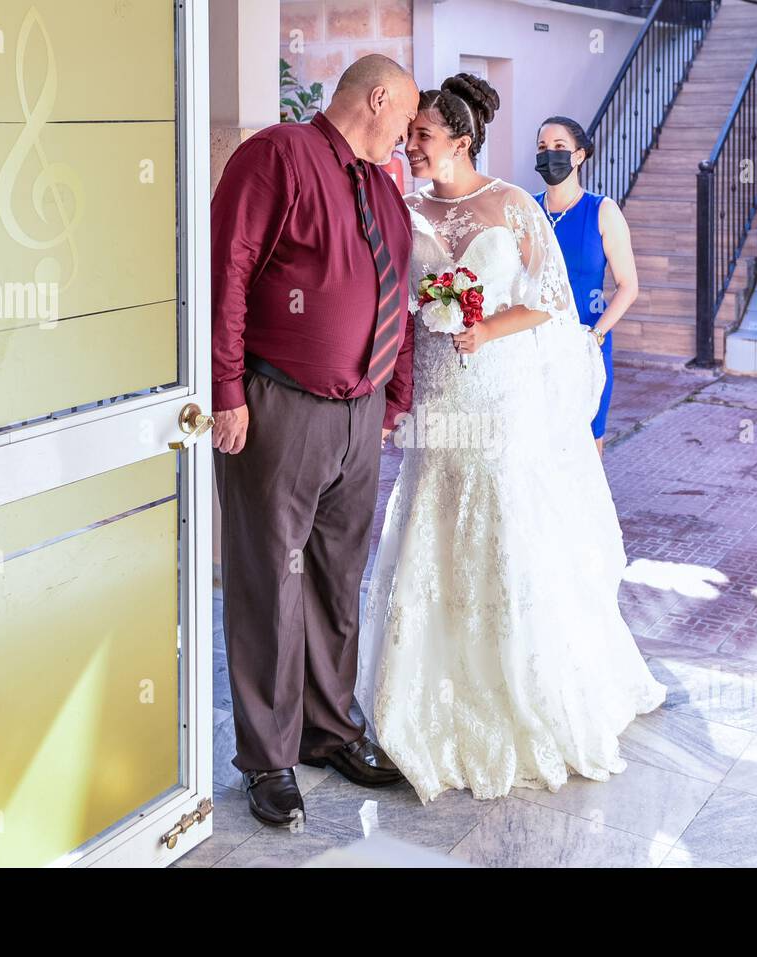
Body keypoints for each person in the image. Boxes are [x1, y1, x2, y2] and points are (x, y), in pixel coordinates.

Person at [354, 74, 669, 805]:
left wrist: (486, 325)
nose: (411, 146)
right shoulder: (406, 208)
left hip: (493, 390)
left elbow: (551, 304)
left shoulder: (512, 206)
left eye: (423, 136)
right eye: (409, 135)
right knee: (428, 511)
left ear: (461, 141)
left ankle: (515, 691)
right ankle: (420, 698)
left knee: (498, 518)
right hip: (436, 387)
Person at [208, 55, 421, 827]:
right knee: (270, 579)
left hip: (361, 414)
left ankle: (330, 731)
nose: (408, 134)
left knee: (338, 579)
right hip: (280, 406)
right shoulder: (277, 156)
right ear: (378, 99)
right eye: (406, 117)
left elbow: (397, 283)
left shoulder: (380, 185)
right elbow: (225, 272)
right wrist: (226, 389)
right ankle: (269, 756)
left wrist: (392, 396)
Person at [534, 116, 639, 454]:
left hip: (585, 346)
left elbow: (628, 285)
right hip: (533, 347)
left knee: (585, 449)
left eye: (559, 147)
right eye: (542, 148)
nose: (550, 155)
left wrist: (595, 336)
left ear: (578, 155)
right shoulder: (527, 210)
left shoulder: (602, 210)